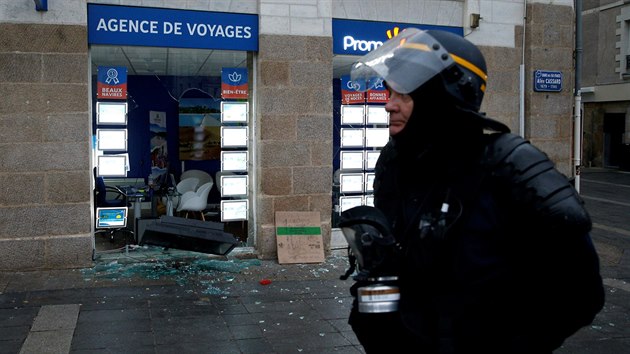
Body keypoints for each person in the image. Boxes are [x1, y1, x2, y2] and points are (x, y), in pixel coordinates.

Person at [343, 28, 605, 353]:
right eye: (388, 91)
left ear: (443, 97)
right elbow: (399, 271)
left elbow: (582, 294)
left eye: (404, 94)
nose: (388, 105)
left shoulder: (512, 166)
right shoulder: (396, 163)